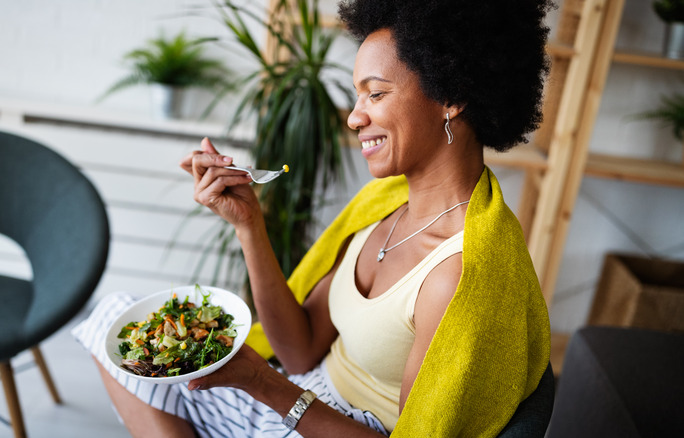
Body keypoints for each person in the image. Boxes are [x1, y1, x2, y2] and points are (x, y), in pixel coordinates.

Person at [72, 0, 553, 436]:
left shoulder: (459, 275)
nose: (354, 117)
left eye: (376, 94)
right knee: (112, 316)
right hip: (298, 392)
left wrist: (264, 384)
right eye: (357, 95)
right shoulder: (382, 205)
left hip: (330, 423)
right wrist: (248, 224)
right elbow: (299, 350)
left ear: (451, 96)